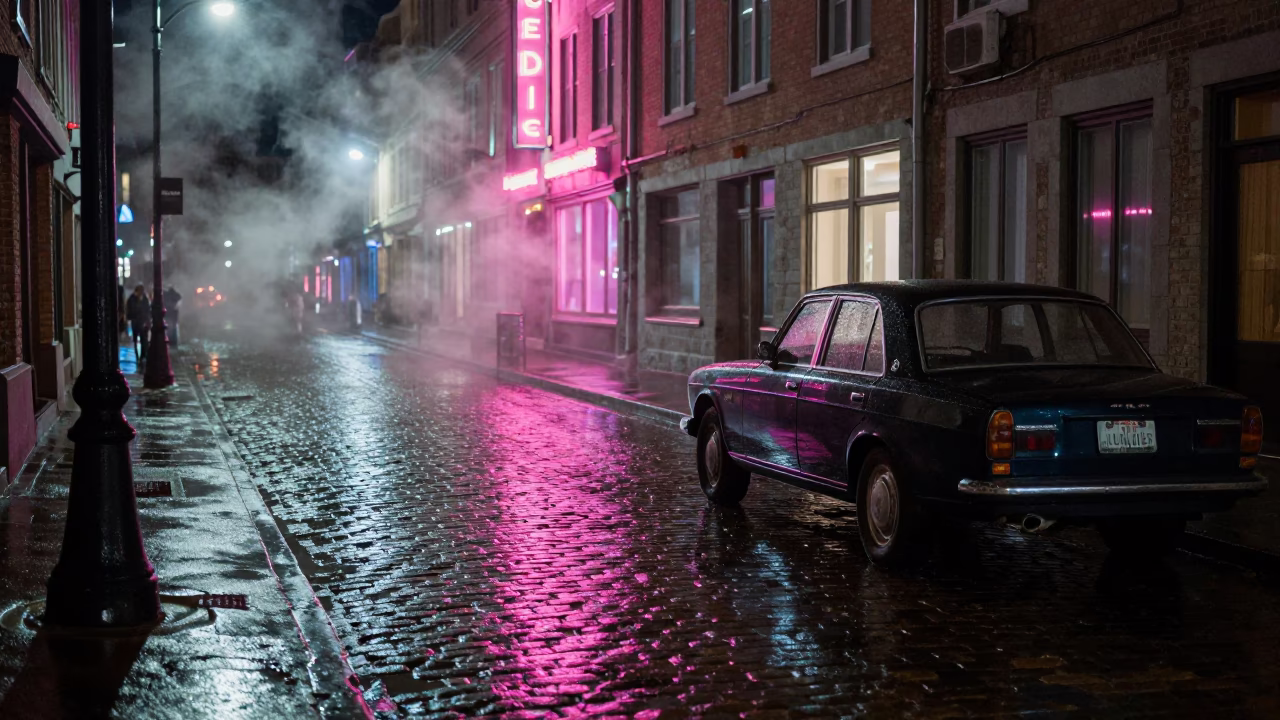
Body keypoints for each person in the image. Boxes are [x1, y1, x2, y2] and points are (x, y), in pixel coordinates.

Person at [126, 284, 151, 366]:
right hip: (136, 321)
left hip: (142, 322)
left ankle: (143, 356)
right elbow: (130, 310)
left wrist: (147, 320)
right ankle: (138, 357)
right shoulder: (132, 299)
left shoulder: (145, 299)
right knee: (136, 339)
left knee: (144, 340)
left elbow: (147, 310)